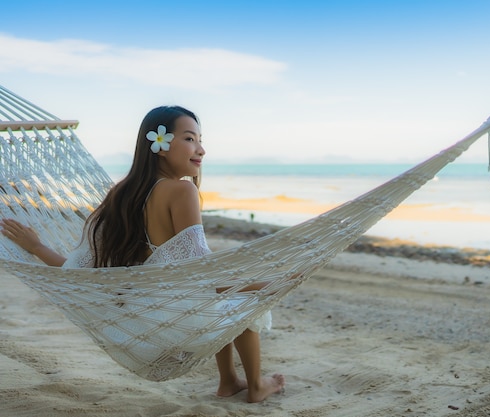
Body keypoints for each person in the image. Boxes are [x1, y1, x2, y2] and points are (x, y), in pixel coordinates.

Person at [0, 105, 285, 403]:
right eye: (189, 139)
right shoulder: (181, 191)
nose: (201, 149)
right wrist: (261, 286)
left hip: (137, 328)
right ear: (159, 146)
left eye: (200, 139)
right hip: (174, 326)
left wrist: (36, 248)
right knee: (248, 299)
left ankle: (228, 381)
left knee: (221, 302)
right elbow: (202, 275)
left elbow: (80, 275)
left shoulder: (120, 197)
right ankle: (256, 385)